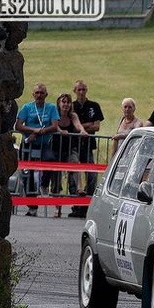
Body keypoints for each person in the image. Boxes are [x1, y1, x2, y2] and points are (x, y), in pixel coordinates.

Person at [15, 83, 59, 217]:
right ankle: (32, 206)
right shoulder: (27, 107)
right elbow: (18, 125)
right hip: (28, 144)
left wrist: (41, 131)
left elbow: (55, 126)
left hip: (44, 144)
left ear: (46, 94)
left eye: (42, 93)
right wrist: (33, 131)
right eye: (37, 93)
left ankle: (44, 185)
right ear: (33, 95)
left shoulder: (51, 107)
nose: (39, 95)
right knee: (27, 174)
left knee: (50, 160)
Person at [68, 80, 104, 218]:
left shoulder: (93, 106)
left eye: (83, 89)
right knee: (74, 174)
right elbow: (72, 127)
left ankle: (88, 205)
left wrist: (81, 126)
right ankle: (76, 205)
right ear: (75, 91)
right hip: (74, 144)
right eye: (79, 90)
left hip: (88, 145)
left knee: (92, 176)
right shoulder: (71, 106)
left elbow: (97, 126)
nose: (81, 92)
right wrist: (85, 126)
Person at [50, 93, 87, 217]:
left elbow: (78, 125)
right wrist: (61, 131)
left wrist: (82, 131)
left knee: (75, 163)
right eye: (63, 102)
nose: (66, 104)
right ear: (59, 103)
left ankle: (79, 188)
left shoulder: (73, 115)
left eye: (68, 102)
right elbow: (54, 126)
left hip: (70, 147)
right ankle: (57, 208)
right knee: (56, 179)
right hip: (55, 149)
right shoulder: (54, 114)